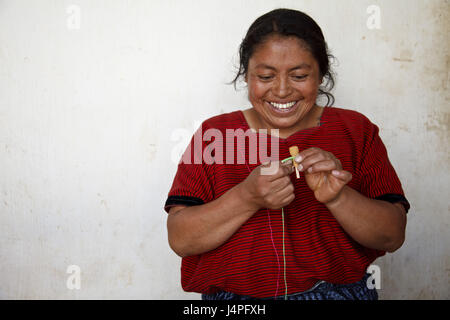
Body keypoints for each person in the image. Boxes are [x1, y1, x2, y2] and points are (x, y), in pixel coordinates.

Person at [164, 8, 410, 300]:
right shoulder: (214, 136)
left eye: (299, 75)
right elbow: (181, 239)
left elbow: (393, 236)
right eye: (266, 76)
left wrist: (338, 197)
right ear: (247, 75)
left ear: (321, 74)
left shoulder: (355, 131)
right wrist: (246, 197)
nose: (281, 90)